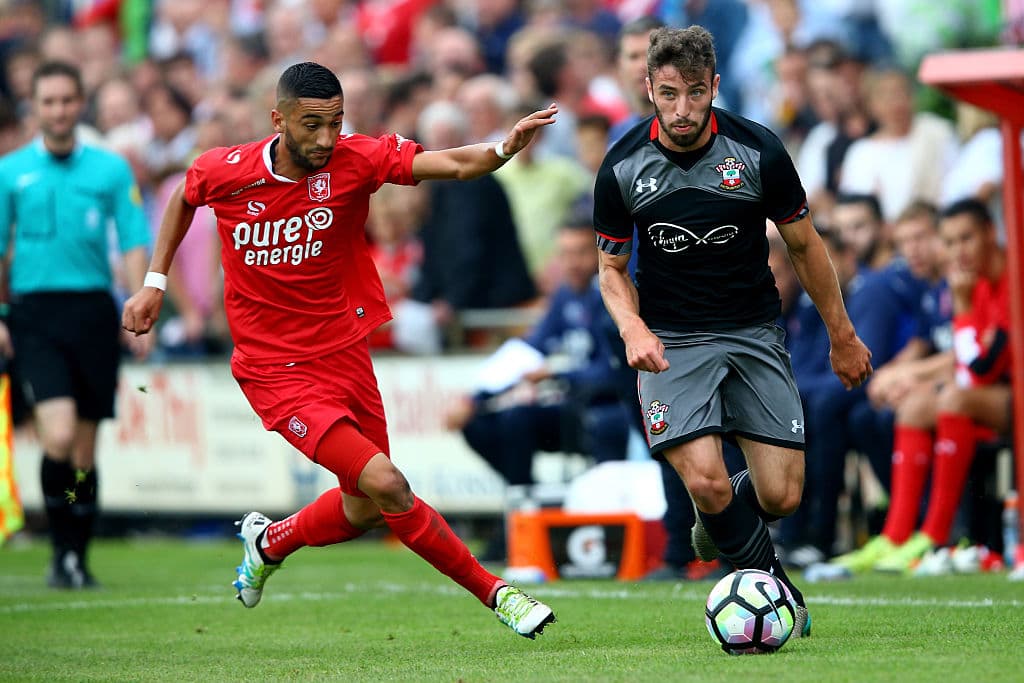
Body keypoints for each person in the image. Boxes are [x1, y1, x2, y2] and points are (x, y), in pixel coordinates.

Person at [121, 62, 557, 639]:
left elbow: (452, 162)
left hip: (345, 354)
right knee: (389, 484)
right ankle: (499, 595)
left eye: (335, 122)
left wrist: (503, 146)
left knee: (363, 508)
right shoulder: (226, 169)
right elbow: (183, 194)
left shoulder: (357, 159)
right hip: (275, 372)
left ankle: (268, 540)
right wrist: (154, 282)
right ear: (278, 120)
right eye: (311, 125)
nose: (326, 139)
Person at [593, 27, 872, 636]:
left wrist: (841, 335)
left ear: (714, 87)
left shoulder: (758, 151)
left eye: (696, 93)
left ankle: (724, 517)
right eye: (668, 94)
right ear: (649, 89)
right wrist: (634, 327)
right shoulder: (621, 166)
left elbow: (804, 245)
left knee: (780, 498)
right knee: (705, 480)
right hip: (673, 343)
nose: (683, 109)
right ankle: (776, 591)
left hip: (753, 331)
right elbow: (611, 271)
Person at [0, 61, 152, 588]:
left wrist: (139, 304)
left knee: (85, 451)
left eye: (67, 100)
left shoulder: (110, 170)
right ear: (35, 107)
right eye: (49, 102)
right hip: (35, 315)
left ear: (80, 103)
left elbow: (133, 238)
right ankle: (60, 548)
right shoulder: (10, 172)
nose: (59, 110)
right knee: (58, 436)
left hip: (92, 312)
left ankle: (75, 555)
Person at [831, 199, 1010, 575]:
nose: (958, 250)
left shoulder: (995, 281)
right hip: (986, 390)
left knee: (953, 399)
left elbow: (975, 371)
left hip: (1005, 392)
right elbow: (953, 355)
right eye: (952, 241)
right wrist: (897, 374)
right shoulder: (965, 282)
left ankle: (938, 535)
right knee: (912, 408)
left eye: (966, 239)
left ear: (990, 233)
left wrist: (960, 308)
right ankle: (898, 534)